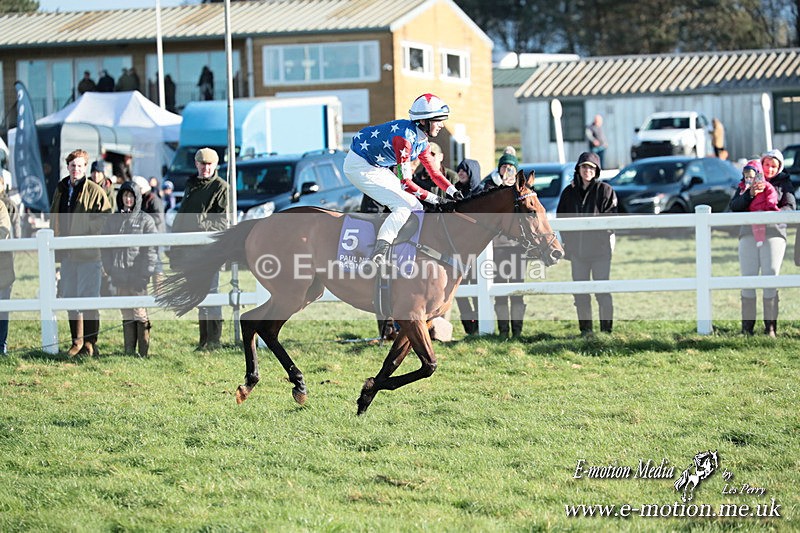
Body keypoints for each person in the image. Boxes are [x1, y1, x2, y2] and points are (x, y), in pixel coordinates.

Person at [343, 93, 462, 266]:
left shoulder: (422, 141)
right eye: (438, 121)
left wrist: (454, 191)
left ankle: (404, 250)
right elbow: (406, 184)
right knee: (402, 207)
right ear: (424, 121)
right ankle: (379, 253)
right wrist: (436, 199)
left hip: (375, 165)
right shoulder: (404, 139)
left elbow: (435, 174)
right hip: (358, 166)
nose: (442, 125)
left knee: (417, 207)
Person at [50, 149, 113, 356]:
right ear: (67, 167)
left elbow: (106, 217)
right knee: (70, 297)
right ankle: (76, 343)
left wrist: (85, 229)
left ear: (85, 167)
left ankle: (89, 343)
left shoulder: (95, 191)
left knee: (89, 299)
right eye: (72, 165)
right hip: (67, 254)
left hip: (88, 254)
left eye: (79, 165)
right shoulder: (61, 189)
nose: (75, 169)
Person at [729, 149, 795, 337]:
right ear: (762, 163)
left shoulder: (784, 183)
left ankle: (770, 329)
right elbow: (735, 206)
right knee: (748, 278)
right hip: (748, 233)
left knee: (770, 277)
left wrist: (772, 215)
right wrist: (749, 194)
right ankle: (747, 329)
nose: (770, 169)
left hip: (774, 233)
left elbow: (790, 207)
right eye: (767, 164)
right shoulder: (747, 180)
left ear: (779, 168)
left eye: (774, 166)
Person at [170, 148, 229, 349]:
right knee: (198, 295)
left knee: (211, 294)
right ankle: (204, 340)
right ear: (196, 164)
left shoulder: (221, 188)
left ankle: (214, 340)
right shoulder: (191, 185)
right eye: (202, 164)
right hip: (189, 251)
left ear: (215, 165)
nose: (205, 168)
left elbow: (221, 223)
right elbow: (182, 215)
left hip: (209, 252)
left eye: (209, 165)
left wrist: (197, 225)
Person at [556, 152, 618, 336]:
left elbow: (612, 219)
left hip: (600, 253)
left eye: (591, 167)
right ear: (578, 169)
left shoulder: (605, 190)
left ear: (597, 170)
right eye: (584, 166)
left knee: (602, 291)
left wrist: (599, 236)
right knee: (580, 292)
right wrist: (568, 244)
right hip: (577, 253)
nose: (587, 170)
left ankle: (606, 331)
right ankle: (586, 331)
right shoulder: (568, 192)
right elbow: (561, 219)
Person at [102, 181, 158, 356]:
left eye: (131, 196)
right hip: (119, 274)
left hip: (138, 276)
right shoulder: (113, 220)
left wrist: (145, 274)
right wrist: (110, 268)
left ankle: (143, 352)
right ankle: (128, 351)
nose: (128, 200)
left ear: (137, 198)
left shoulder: (145, 220)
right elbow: (105, 247)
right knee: (126, 312)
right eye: (125, 196)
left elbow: (151, 250)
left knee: (140, 312)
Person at [479, 151, 528, 337]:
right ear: (499, 169)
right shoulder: (489, 186)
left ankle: (517, 331)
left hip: (517, 247)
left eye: (511, 167)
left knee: (517, 289)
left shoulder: (520, 189)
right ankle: (503, 330)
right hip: (495, 247)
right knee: (499, 289)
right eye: (504, 167)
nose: (507, 170)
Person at [453, 158, 482, 335]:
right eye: (459, 170)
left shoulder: (482, 193)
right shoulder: (454, 192)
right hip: (457, 251)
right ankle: (469, 329)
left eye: (465, 170)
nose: (461, 173)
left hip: (477, 253)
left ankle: (479, 326)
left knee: (478, 290)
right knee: (460, 290)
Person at [739, 160, 779, 247]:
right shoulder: (744, 186)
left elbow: (772, 194)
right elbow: (738, 201)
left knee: (775, 215)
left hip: (766, 209)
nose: (749, 179)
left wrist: (770, 204)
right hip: (753, 211)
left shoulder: (765, 185)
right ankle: (759, 240)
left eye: (751, 177)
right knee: (757, 226)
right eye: (747, 177)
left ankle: (780, 223)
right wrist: (747, 193)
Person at [0, 197, 14, 354]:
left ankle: (1, 347)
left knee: (2, 310)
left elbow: (3, 232)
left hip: (2, 270)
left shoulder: (0, 207)